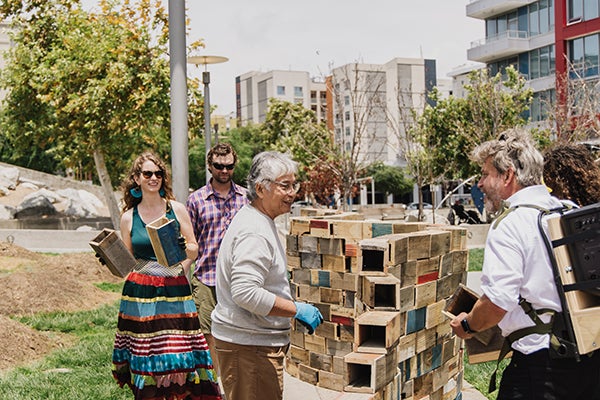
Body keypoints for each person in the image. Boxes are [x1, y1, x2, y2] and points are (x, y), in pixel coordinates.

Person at [449, 128, 600, 399]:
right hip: (589, 358)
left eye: (485, 174)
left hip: (540, 368)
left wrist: (468, 325)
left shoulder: (510, 223)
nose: (480, 184)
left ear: (507, 175)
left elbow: (497, 303)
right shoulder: (566, 210)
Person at [211, 151, 323, 400]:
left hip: (252, 346)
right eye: (285, 186)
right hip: (250, 349)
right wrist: (295, 309)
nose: (293, 192)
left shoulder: (260, 219)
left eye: (294, 184)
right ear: (261, 189)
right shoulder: (255, 231)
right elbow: (245, 292)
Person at [111, 151, 222, 400]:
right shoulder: (128, 217)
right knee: (146, 355)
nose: (154, 178)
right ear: (137, 179)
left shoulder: (177, 209)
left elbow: (194, 248)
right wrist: (110, 257)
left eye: (158, 174)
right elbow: (127, 261)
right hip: (140, 293)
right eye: (148, 173)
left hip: (175, 290)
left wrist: (183, 254)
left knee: (176, 352)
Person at [186, 142, 249, 372]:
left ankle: (235, 386)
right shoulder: (196, 200)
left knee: (237, 336)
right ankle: (213, 387)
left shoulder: (246, 199)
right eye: (219, 166)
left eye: (229, 166)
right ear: (209, 166)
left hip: (238, 281)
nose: (224, 171)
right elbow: (189, 243)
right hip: (206, 279)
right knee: (207, 337)